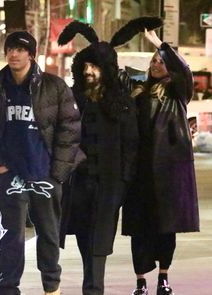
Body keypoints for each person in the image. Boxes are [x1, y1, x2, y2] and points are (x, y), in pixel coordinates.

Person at [0, 31, 82, 295]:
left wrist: (57, 172)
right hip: (11, 175)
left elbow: (70, 129)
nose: (13, 54)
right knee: (11, 236)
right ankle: (8, 288)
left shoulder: (54, 86)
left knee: (48, 234)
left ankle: (51, 288)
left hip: (44, 173)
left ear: (31, 54)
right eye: (10, 49)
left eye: (20, 49)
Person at [57, 20, 140, 295]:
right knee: (84, 240)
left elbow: (131, 146)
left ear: (106, 69)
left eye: (94, 66)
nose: (88, 71)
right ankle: (91, 286)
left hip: (108, 186)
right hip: (79, 184)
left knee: (99, 243)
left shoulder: (121, 104)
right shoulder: (74, 100)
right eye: (85, 66)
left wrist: (122, 184)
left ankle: (93, 289)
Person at [120, 29, 200, 295]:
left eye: (161, 61)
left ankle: (163, 278)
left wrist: (161, 45)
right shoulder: (136, 89)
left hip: (169, 168)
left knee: (167, 225)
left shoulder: (178, 91)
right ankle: (140, 281)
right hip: (139, 169)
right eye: (154, 60)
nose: (156, 64)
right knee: (138, 227)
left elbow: (185, 70)